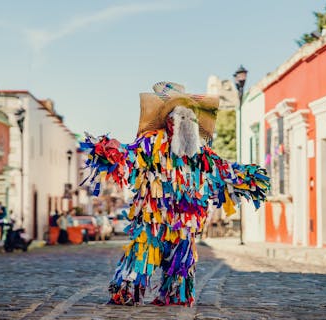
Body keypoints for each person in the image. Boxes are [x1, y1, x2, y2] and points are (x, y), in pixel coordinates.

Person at [79, 82, 270, 306]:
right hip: (153, 219)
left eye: (189, 120)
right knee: (142, 253)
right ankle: (125, 291)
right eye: (179, 119)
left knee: (180, 262)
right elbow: (130, 157)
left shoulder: (201, 154)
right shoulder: (151, 143)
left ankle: (174, 295)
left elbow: (223, 170)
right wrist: (110, 152)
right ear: (168, 122)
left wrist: (246, 177)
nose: (185, 124)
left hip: (185, 221)